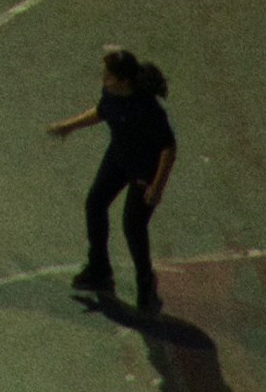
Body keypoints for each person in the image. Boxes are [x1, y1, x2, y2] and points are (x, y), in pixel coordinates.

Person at [51, 46, 180, 307]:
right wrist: (69, 126)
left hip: (144, 169)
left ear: (122, 81)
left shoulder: (148, 110)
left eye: (108, 75)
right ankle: (99, 267)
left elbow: (168, 148)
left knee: (133, 226)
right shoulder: (111, 94)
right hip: (119, 158)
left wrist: (157, 186)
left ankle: (146, 283)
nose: (103, 79)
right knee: (95, 203)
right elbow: (102, 111)